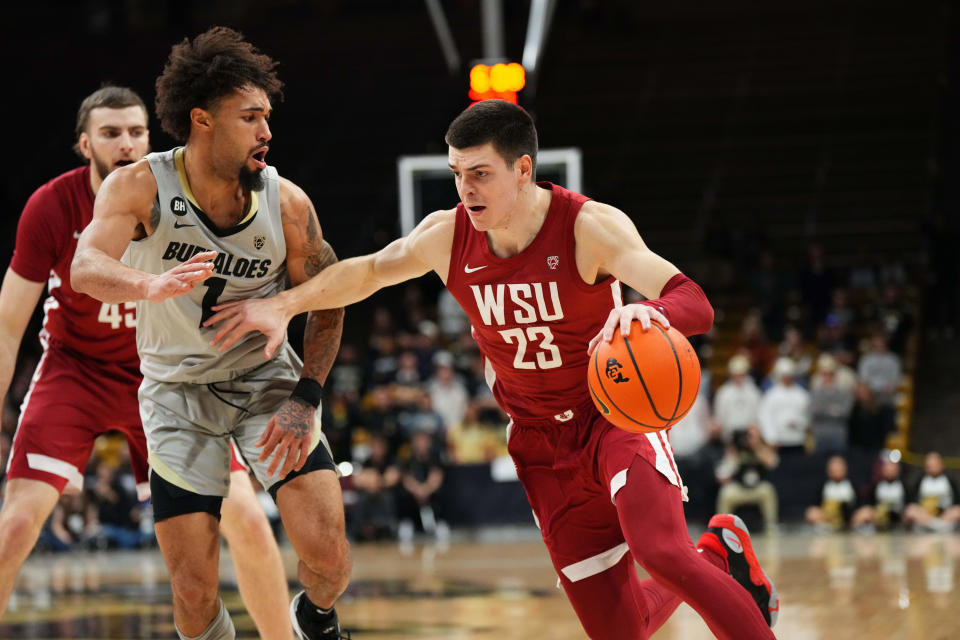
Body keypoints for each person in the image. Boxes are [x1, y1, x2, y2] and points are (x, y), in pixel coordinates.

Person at [206, 99, 779, 639]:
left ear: (523, 168)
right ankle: (719, 553)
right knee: (620, 630)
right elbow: (367, 272)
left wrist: (643, 313)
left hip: (612, 415)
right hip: (538, 441)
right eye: (457, 173)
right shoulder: (448, 235)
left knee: (660, 552)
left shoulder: (589, 228)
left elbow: (695, 303)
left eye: (480, 174)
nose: (465, 189)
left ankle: (706, 568)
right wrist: (282, 304)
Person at [71, 31, 350, 640]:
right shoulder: (140, 185)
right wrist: (147, 285)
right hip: (177, 392)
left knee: (329, 559)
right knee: (194, 596)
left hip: (266, 381)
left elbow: (329, 302)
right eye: (250, 118)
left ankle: (317, 618)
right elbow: (85, 267)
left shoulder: (288, 205)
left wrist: (307, 396)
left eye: (267, 118)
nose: (266, 132)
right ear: (202, 120)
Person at [0, 85, 294, 638]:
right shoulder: (50, 207)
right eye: (111, 133)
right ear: (85, 144)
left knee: (250, 523)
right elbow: (8, 323)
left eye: (136, 131)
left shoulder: (181, 190)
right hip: (75, 370)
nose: (127, 143)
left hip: (164, 375)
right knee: (15, 526)